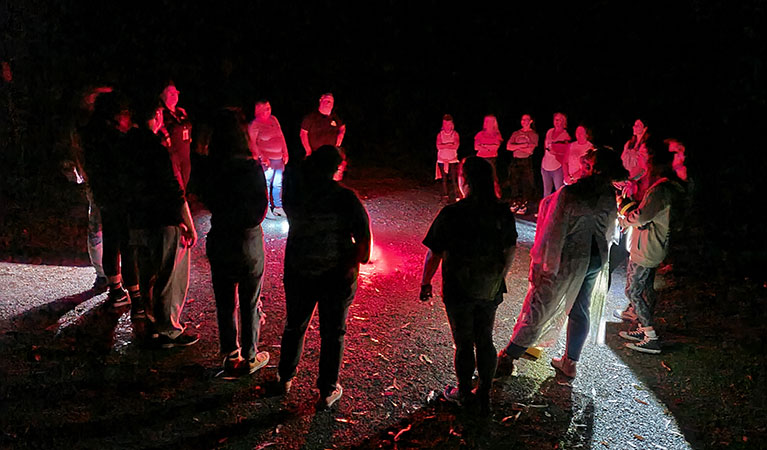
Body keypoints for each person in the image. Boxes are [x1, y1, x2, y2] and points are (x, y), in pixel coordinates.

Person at [496, 148, 629, 381]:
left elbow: (554, 232)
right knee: (580, 307)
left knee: (541, 304)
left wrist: (543, 264)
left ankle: (508, 357)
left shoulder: (572, 193)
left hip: (568, 257)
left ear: (593, 169)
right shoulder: (608, 192)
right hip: (595, 256)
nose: (580, 169)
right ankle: (570, 362)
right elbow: (609, 229)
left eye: (586, 165)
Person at [420, 156, 518, 413]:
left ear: (466, 181)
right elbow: (510, 249)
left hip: (458, 287)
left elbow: (434, 253)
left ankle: (464, 393)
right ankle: (484, 393)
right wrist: (501, 277)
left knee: (464, 343)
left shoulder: (452, 213)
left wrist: (425, 282)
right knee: (485, 338)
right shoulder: (502, 212)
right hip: (490, 286)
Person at [277, 145, 371, 410]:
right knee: (333, 332)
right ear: (336, 169)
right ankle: (327, 389)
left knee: (295, 324)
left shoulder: (294, 193)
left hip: (298, 270)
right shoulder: (345, 199)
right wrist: (352, 261)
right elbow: (364, 249)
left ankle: (284, 377)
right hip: (335, 277)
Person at [126, 101, 199, 347]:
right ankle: (168, 329)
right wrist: (187, 222)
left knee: (147, 274)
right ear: (157, 116)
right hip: (162, 220)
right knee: (169, 275)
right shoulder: (157, 149)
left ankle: (150, 325)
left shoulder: (125, 144)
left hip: (137, 220)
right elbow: (172, 189)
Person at [204, 107, 270, 376]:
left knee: (224, 300)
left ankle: (231, 355)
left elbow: (207, 199)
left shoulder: (211, 167)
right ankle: (250, 354)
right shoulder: (250, 167)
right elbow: (261, 206)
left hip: (220, 235)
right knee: (249, 299)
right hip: (247, 239)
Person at [617, 137, 686, 354]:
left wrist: (623, 218)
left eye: (646, 157)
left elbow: (642, 216)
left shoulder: (660, 189)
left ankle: (650, 335)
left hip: (647, 248)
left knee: (633, 291)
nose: (642, 161)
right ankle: (641, 327)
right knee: (644, 289)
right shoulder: (667, 187)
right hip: (653, 246)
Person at [80, 92, 140, 309]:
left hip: (102, 194)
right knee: (127, 242)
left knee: (111, 242)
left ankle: (115, 290)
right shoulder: (114, 137)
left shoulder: (89, 132)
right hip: (119, 195)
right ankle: (135, 294)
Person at [248, 100, 289, 217]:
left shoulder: (274, 119)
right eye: (264, 109)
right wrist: (262, 157)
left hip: (278, 158)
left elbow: (280, 135)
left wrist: (285, 152)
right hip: (267, 160)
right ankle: (266, 209)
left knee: (278, 183)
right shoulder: (255, 124)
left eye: (269, 108)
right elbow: (252, 143)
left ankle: (278, 206)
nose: (268, 111)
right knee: (266, 183)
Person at [160, 82, 193, 190]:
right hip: (173, 157)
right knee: (178, 188)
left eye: (176, 93)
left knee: (185, 186)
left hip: (186, 156)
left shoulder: (181, 112)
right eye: (170, 93)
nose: (174, 96)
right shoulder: (162, 114)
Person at [506, 114, 539, 215]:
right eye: (522, 119)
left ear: (531, 121)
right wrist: (523, 145)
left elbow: (530, 150)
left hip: (526, 161)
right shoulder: (516, 133)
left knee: (526, 183)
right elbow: (508, 146)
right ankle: (516, 202)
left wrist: (516, 147)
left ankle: (524, 204)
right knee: (514, 182)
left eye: (526, 119)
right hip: (516, 160)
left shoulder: (533, 134)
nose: (524, 121)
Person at [299, 93, 346, 157]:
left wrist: (339, 139)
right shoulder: (311, 117)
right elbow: (303, 133)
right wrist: (308, 151)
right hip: (315, 154)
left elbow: (342, 127)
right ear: (321, 100)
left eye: (331, 101)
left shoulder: (336, 117)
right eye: (327, 100)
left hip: (331, 154)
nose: (328, 103)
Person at [541, 112, 571, 197]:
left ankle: (559, 209)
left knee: (559, 192)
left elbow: (566, 153)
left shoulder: (565, 136)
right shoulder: (549, 131)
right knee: (546, 193)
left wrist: (555, 152)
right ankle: (546, 209)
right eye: (556, 120)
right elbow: (545, 147)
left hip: (557, 167)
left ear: (564, 122)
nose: (558, 122)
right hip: (545, 166)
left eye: (560, 120)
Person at [435, 114, 460, 202]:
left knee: (454, 178)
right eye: (445, 124)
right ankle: (445, 196)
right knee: (444, 179)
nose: (447, 126)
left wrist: (445, 145)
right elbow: (438, 146)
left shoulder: (455, 134)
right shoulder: (440, 134)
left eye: (449, 124)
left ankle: (457, 196)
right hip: (442, 158)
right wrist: (449, 144)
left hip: (452, 158)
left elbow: (456, 146)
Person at [474, 114, 503, 180]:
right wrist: (489, 147)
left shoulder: (497, 134)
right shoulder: (480, 134)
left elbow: (496, 147)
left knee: (492, 177)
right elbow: (476, 147)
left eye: (489, 121)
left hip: (492, 159)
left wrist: (484, 146)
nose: (487, 123)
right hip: (481, 158)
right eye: (486, 121)